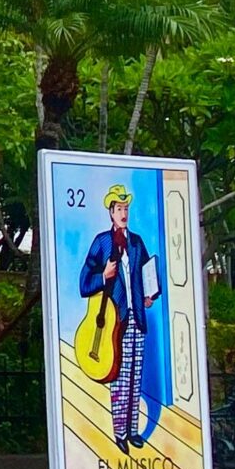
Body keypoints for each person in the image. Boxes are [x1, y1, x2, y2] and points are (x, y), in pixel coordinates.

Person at [76, 182, 161, 450]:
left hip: (137, 318)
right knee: (120, 379)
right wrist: (103, 276)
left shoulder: (136, 242)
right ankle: (119, 433)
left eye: (126, 208)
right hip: (115, 320)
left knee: (135, 376)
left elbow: (146, 273)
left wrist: (149, 294)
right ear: (111, 212)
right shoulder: (102, 242)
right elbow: (84, 282)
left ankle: (133, 429)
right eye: (119, 209)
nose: (123, 213)